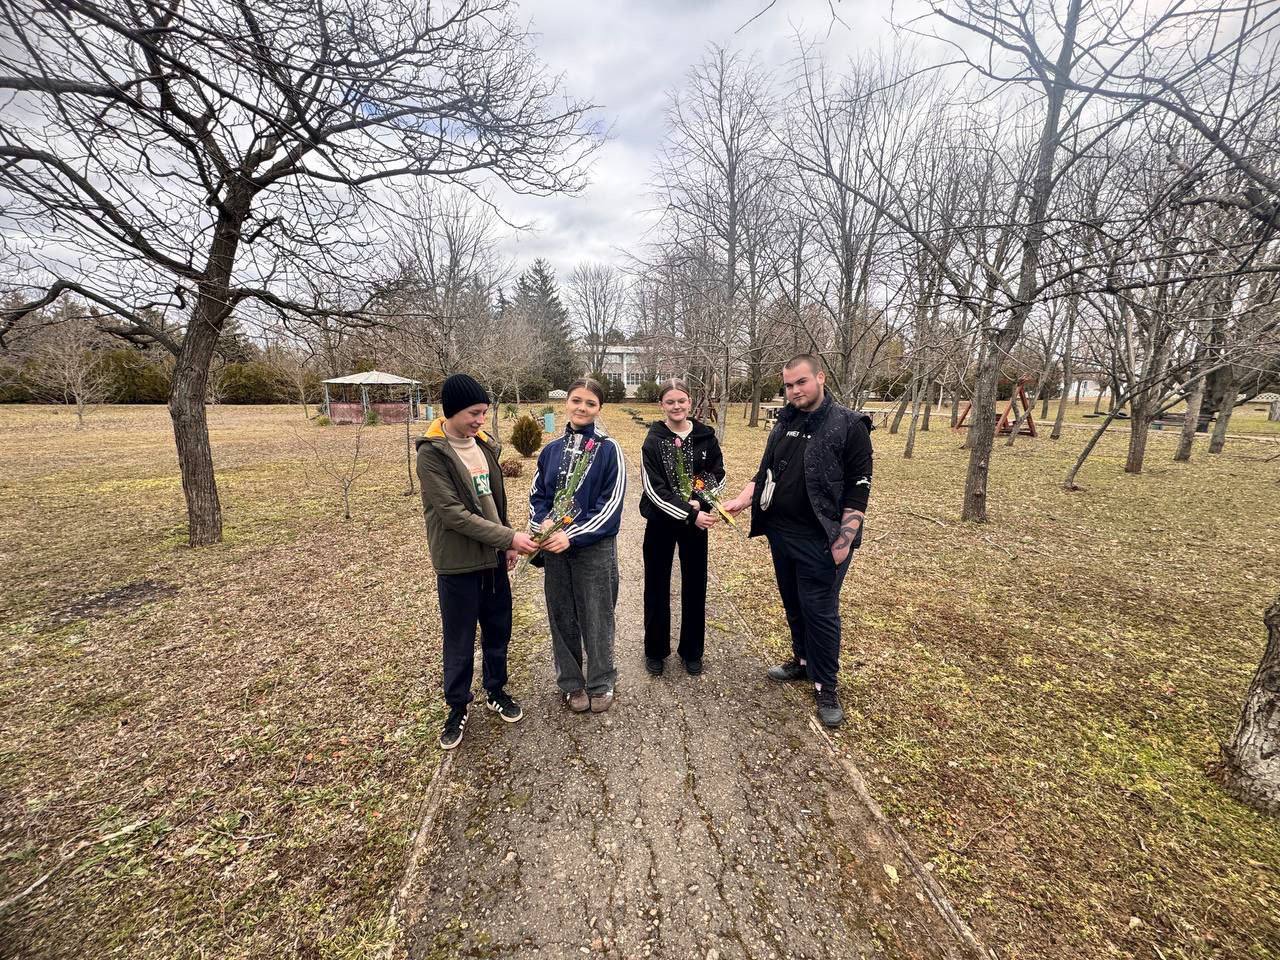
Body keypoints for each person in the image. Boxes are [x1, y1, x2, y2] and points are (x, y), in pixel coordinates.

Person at [723, 355, 873, 728]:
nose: (794, 391)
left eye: (801, 382)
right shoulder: (784, 422)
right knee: (793, 603)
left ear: (820, 377)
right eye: (788, 385)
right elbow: (765, 472)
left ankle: (826, 686)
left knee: (820, 612)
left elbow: (859, 488)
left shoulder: (849, 425)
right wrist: (741, 501)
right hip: (782, 533)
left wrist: (843, 541)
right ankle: (803, 662)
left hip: (822, 539)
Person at [416, 373, 540, 750]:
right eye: (474, 413)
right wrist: (509, 537)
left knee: (498, 630)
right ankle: (457, 706)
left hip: (493, 559)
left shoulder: (484, 447)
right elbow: (454, 514)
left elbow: (493, 503)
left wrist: (508, 542)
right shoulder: (432, 455)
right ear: (451, 411)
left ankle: (495, 690)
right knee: (459, 638)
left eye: (484, 412)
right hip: (458, 565)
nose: (480, 420)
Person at [528, 378, 627, 713]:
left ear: (599, 409)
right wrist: (542, 524)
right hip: (554, 549)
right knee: (562, 616)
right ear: (566, 402)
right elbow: (538, 496)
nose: (582, 408)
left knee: (597, 616)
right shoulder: (551, 451)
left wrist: (573, 534)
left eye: (590, 403)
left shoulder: (609, 449)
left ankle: (601, 681)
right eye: (576, 400)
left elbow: (611, 505)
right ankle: (571, 682)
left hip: (594, 549)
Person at [639, 379, 724, 677]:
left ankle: (692, 651)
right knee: (656, 585)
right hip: (661, 522)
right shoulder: (653, 440)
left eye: (681, 400)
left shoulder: (706, 437)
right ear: (661, 405)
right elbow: (654, 489)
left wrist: (701, 501)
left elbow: (718, 474)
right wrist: (689, 513)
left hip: (696, 523)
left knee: (695, 585)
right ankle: (655, 650)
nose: (677, 406)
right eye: (670, 401)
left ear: (690, 402)